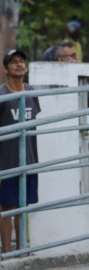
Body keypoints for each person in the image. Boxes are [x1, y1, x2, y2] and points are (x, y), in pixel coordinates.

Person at [0, 50, 41, 255]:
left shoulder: (31, 91)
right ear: (5, 69)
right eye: (14, 62)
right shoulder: (2, 95)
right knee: (7, 208)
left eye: (22, 61)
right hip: (7, 162)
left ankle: (23, 251)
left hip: (30, 160)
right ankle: (7, 254)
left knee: (24, 207)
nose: (19, 65)